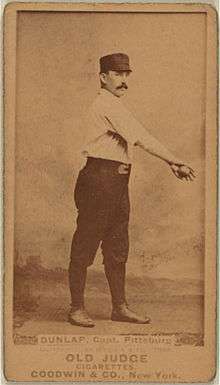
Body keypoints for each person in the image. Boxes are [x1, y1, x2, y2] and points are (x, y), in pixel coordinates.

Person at [68, 53, 195, 328]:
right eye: (117, 74)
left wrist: (172, 161)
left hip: (117, 184)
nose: (124, 80)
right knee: (85, 245)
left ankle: (119, 307)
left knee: (117, 247)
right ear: (103, 78)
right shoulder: (106, 104)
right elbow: (142, 138)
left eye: (127, 75)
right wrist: (174, 160)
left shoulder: (117, 106)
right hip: (97, 181)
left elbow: (137, 136)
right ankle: (76, 307)